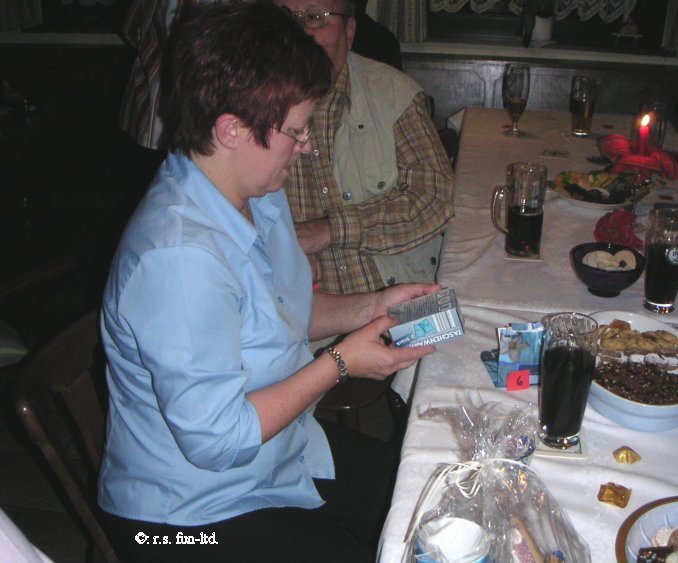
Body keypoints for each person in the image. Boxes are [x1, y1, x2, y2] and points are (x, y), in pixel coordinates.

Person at [97, 4, 438, 562]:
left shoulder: (257, 193)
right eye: (296, 131)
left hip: (278, 455)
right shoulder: (178, 258)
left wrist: (373, 306)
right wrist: (341, 363)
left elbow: (282, 307)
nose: (305, 145)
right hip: (183, 518)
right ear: (231, 129)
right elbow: (218, 440)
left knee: (429, 496)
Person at [277, 0, 455, 295]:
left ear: (349, 32)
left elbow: (436, 197)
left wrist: (328, 230)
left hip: (399, 295)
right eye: (285, 18)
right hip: (307, 312)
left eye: (315, 17)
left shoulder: (392, 93)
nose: (299, 33)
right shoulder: (246, 107)